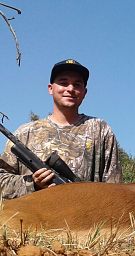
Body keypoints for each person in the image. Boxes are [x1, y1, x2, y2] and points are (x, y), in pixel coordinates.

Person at [0, 59, 122, 199]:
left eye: (77, 84)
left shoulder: (100, 129)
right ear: (50, 88)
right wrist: (32, 184)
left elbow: (115, 189)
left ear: (84, 92)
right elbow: (2, 183)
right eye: (63, 83)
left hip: (85, 216)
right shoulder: (25, 132)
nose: (70, 89)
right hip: (30, 218)